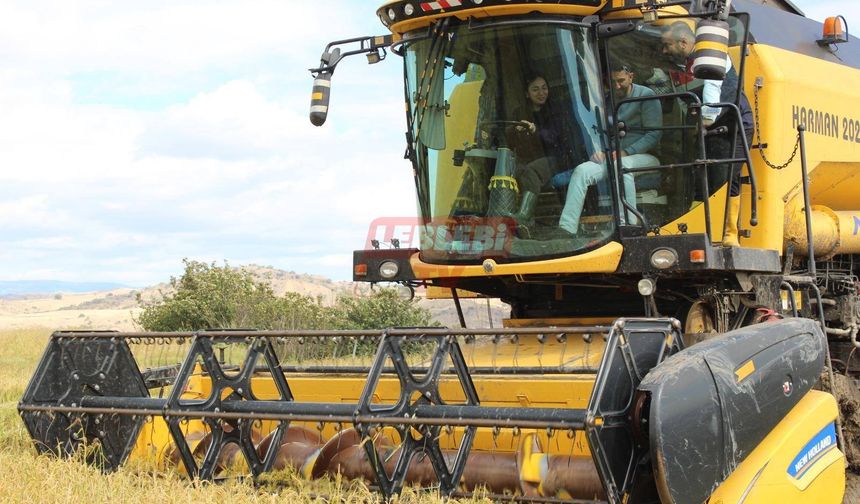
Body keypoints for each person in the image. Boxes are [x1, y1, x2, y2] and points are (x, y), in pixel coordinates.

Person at [660, 20, 755, 247]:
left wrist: (704, 122)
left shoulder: (711, 56)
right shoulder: (686, 66)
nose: (664, 51)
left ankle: (729, 235)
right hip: (709, 127)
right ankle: (698, 230)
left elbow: (712, 94)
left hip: (732, 124)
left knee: (726, 177)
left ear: (683, 42)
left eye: (667, 45)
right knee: (699, 177)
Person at [555, 63, 663, 236]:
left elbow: (654, 134)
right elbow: (601, 132)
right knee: (582, 171)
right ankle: (566, 228)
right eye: (612, 82)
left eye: (621, 81)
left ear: (631, 76)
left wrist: (627, 151)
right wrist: (599, 149)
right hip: (613, 156)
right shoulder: (607, 99)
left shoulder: (646, 96)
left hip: (644, 156)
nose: (617, 86)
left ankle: (628, 223)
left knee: (621, 165)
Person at [504, 73, 580, 230]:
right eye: (535, 89)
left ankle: (525, 216)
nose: (541, 93)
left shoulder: (556, 110)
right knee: (509, 170)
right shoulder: (519, 113)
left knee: (531, 171)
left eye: (544, 88)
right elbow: (509, 139)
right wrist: (515, 130)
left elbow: (553, 137)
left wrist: (534, 130)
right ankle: (504, 214)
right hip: (529, 157)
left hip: (556, 157)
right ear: (527, 93)